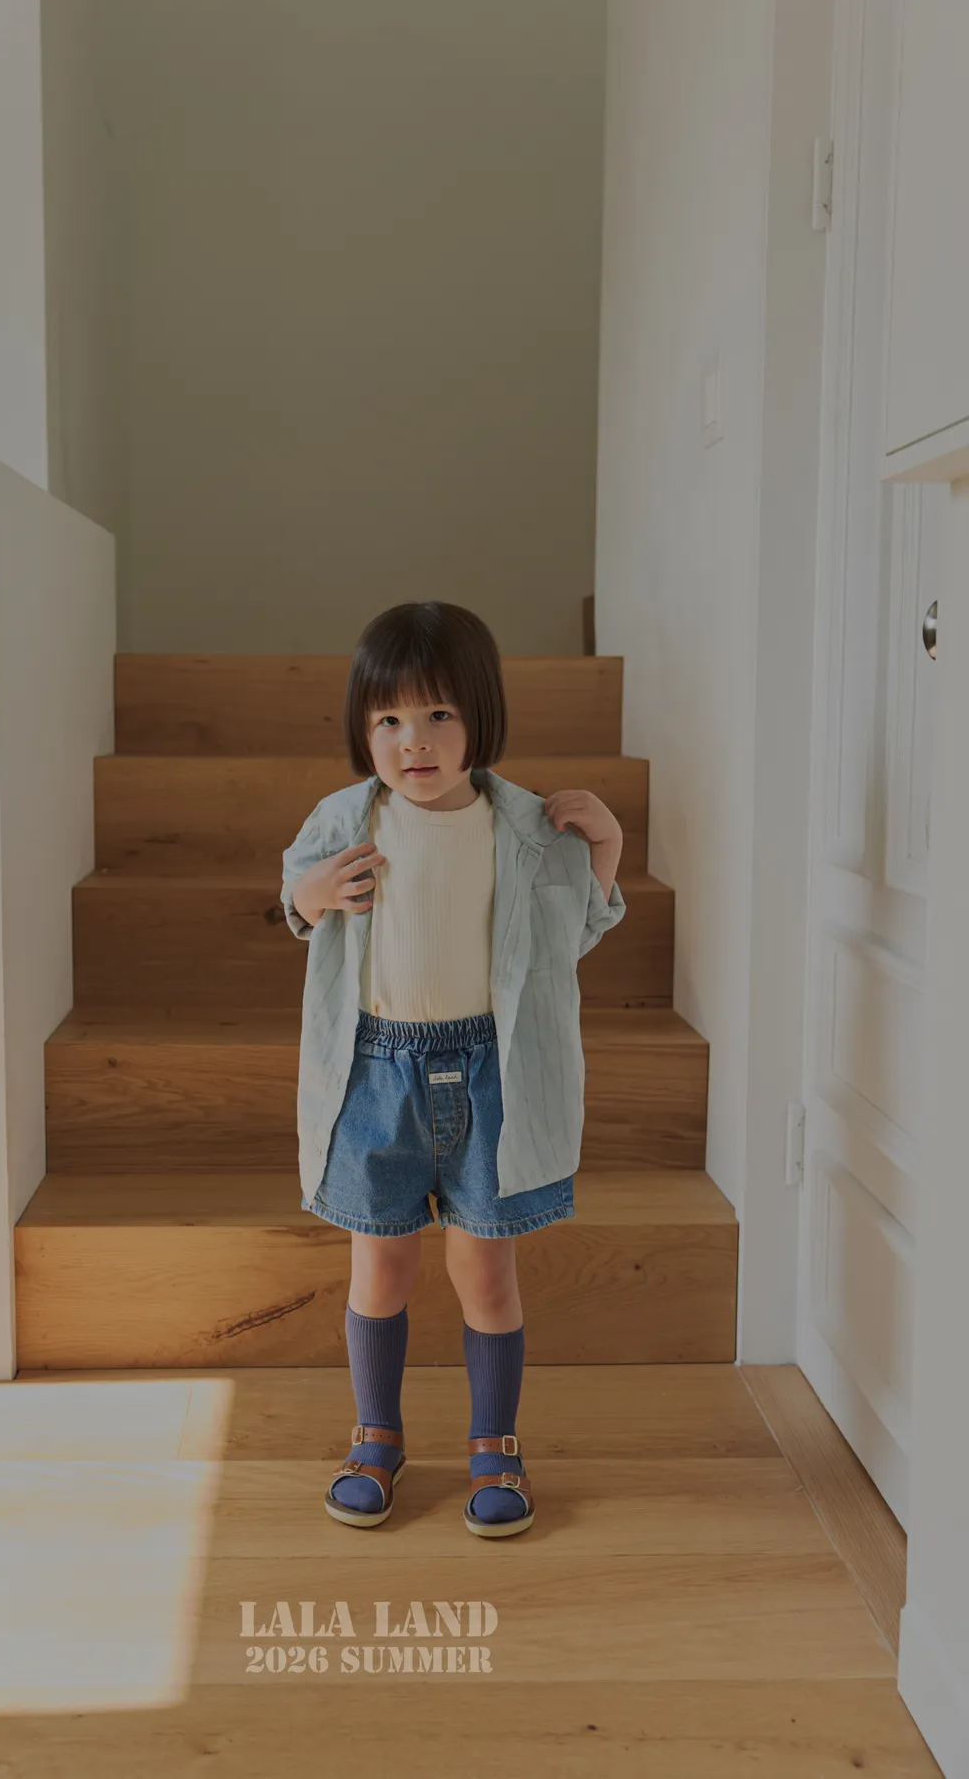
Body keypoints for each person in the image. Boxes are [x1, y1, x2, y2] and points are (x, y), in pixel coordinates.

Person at [280, 601, 625, 1537]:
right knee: (379, 1264)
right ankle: (376, 1436)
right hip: (376, 1075)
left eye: (438, 715)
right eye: (389, 720)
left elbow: (569, 938)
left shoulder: (523, 827)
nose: (415, 742)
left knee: (486, 1272)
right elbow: (298, 899)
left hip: (488, 1073)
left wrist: (605, 847)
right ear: (364, 730)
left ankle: (494, 1445)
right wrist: (311, 894)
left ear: (480, 716)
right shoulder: (347, 819)